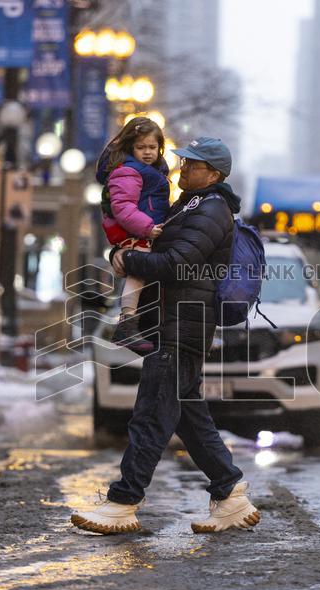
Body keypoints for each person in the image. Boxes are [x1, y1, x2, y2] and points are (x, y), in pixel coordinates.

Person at [72, 137, 260, 535]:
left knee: (152, 414)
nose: (182, 168)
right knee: (189, 418)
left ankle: (123, 502)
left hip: (182, 326)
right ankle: (229, 495)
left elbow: (178, 262)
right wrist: (124, 252)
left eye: (192, 164)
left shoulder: (212, 209)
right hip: (172, 322)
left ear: (214, 174)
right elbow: (152, 244)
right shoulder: (190, 205)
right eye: (183, 162)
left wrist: (128, 259)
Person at [95, 117, 171, 353]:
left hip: (141, 232)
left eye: (152, 147)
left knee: (141, 276)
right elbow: (123, 207)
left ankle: (131, 324)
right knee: (137, 276)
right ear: (130, 148)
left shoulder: (149, 171)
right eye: (141, 147)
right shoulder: (128, 171)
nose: (147, 152)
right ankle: (126, 324)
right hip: (136, 233)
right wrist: (147, 227)